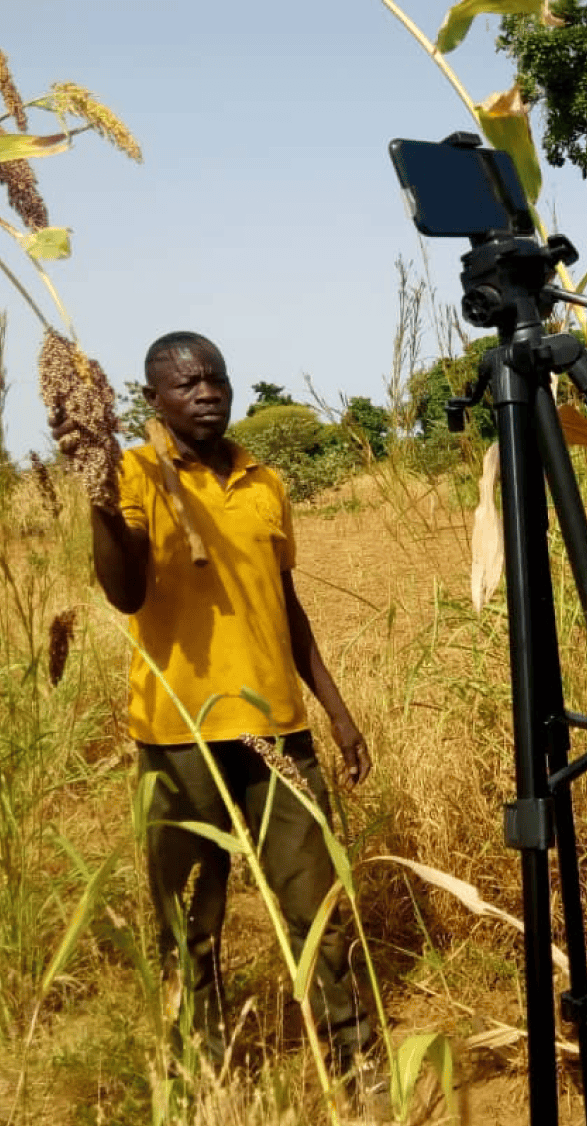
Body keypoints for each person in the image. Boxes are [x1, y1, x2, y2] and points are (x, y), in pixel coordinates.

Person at [52, 331, 378, 1084]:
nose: (206, 394)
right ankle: (204, 1067)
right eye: (187, 384)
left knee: (317, 907)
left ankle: (354, 1060)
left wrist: (334, 708)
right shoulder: (133, 474)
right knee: (191, 922)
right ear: (153, 399)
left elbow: (285, 603)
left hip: (278, 732)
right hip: (179, 737)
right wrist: (101, 498)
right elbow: (125, 593)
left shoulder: (265, 481)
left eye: (217, 381)